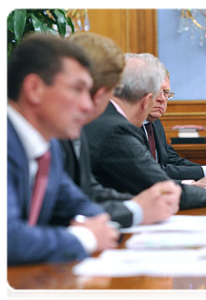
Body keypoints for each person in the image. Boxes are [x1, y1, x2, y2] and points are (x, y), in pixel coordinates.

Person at [5, 33, 118, 265]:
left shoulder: (50, 149)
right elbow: (7, 239)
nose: (88, 105)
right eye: (77, 89)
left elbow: (79, 205)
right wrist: (85, 237)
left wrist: (97, 223)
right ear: (34, 88)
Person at [85, 53, 206, 209]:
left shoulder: (108, 117)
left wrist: (198, 181)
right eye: (158, 92)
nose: (162, 99)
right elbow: (157, 187)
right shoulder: (116, 129)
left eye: (166, 93)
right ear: (147, 100)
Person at [61, 32, 180, 228]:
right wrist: (138, 209)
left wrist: (137, 207)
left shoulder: (71, 129)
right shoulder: (108, 127)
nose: (87, 104)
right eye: (78, 90)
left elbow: (84, 195)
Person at [141, 70, 206, 181]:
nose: (162, 99)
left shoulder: (155, 123)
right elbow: (149, 170)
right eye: (156, 91)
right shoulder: (128, 126)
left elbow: (173, 161)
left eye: (166, 92)